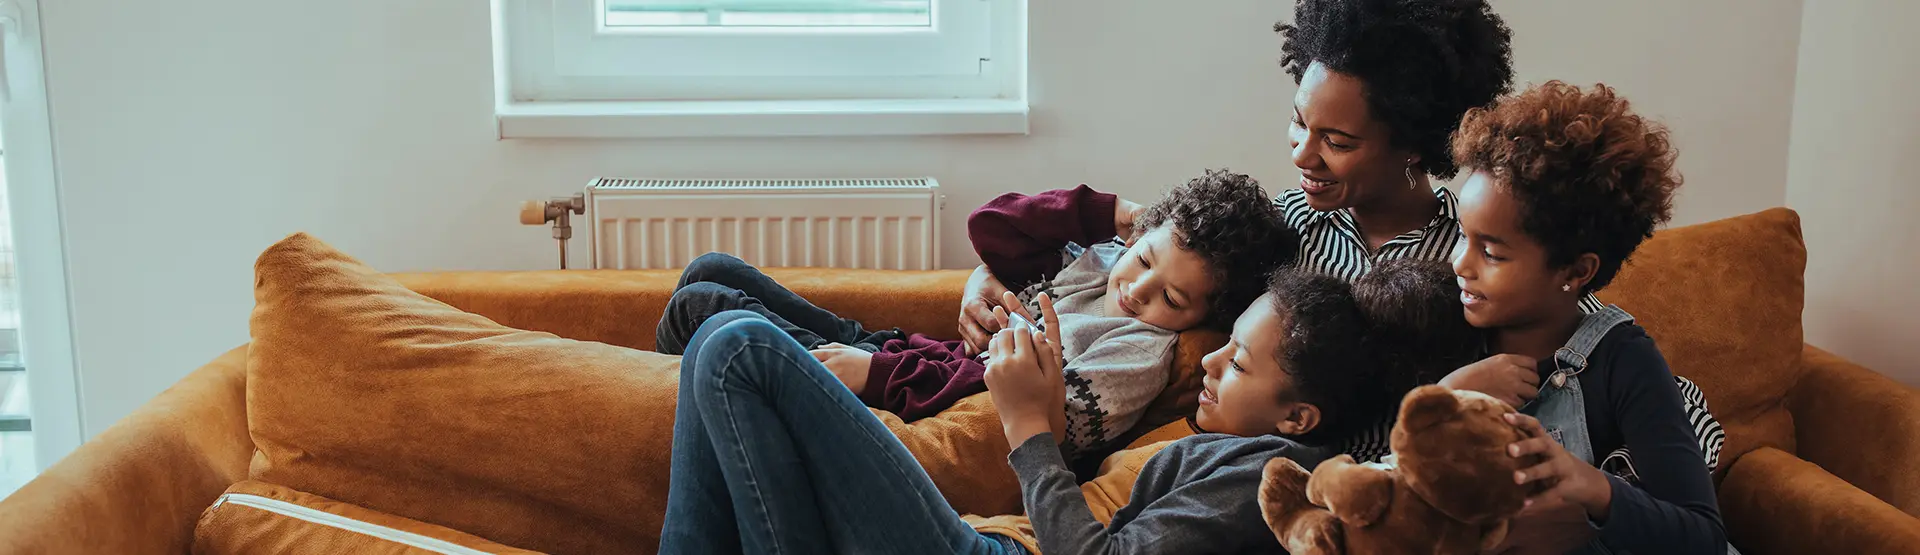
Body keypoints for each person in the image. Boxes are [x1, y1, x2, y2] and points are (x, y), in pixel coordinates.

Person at [963, 0, 1524, 464]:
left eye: (1339, 142)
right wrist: (988, 277)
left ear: (1415, 145)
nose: (1304, 154)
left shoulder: (1468, 254)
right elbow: (1136, 263)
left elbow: (1580, 334)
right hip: (1228, 476)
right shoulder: (1283, 225)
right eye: (1300, 122)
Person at [657, 261, 1462, 554]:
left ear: (1300, 418)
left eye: (1239, 360)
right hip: (994, 533)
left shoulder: (1271, 477)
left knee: (737, 348)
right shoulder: (1215, 431)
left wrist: (1030, 426)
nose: (1210, 359)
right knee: (724, 335)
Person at [655, 170, 1294, 456]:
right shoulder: (1101, 261)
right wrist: (1109, 214)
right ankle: (697, 406)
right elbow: (991, 228)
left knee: (705, 310)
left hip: (911, 391)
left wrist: (875, 376)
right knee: (713, 269)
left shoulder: (1138, 355)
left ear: (1206, 314)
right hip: (913, 354)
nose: (1140, 290)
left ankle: (683, 426)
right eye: (1147, 258)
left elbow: (1009, 414)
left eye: (1172, 299)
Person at [1449, 81, 1725, 554]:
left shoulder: (1625, 361)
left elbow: (1702, 538)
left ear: (1578, 271)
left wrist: (1594, 489)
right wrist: (1445, 399)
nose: (1460, 263)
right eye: (1462, 236)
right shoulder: (1445, 328)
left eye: (1491, 253)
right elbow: (1387, 478)